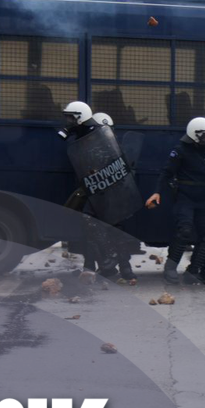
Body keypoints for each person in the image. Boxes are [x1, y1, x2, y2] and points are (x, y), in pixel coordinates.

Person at [60, 102, 137, 281]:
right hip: (94, 190)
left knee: (115, 229)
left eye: (71, 117)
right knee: (95, 228)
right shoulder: (81, 135)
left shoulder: (106, 140)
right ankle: (106, 265)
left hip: (111, 191)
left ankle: (123, 267)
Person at [147, 117, 205, 285]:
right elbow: (166, 173)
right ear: (195, 136)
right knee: (184, 231)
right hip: (185, 197)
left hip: (203, 198)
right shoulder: (180, 151)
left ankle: (194, 271)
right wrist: (156, 192)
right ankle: (170, 268)